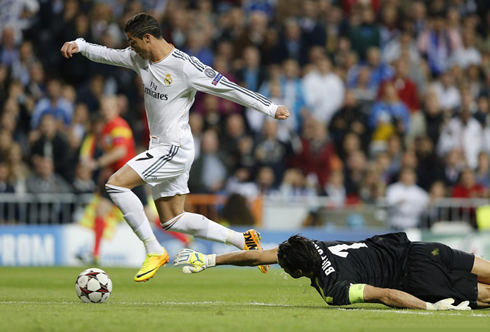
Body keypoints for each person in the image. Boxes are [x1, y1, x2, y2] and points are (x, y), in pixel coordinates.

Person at [60, 13, 290, 281]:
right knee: (172, 220)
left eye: (133, 42)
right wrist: (81, 45)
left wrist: (271, 108)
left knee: (115, 184)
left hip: (174, 148)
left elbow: (230, 88)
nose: (130, 47)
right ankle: (243, 240)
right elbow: (108, 55)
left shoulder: (185, 67)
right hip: (161, 147)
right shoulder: (139, 57)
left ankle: (153, 249)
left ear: (148, 38)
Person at [174, 232, 490, 310]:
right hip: (419, 248)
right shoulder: (312, 244)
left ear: (298, 271)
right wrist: (211, 261)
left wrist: (429, 307)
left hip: (417, 279)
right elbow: (257, 256)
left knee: (486, 296)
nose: (276, 263)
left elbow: (386, 294)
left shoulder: (333, 290)